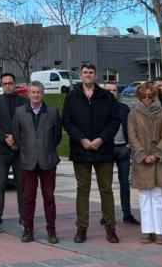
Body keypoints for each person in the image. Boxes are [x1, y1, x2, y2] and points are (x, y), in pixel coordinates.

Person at [62, 63, 122, 243]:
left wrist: (100, 139)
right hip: (81, 150)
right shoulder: (72, 97)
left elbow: (115, 120)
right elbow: (67, 121)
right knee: (82, 190)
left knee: (106, 189)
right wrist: (82, 139)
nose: (88, 75)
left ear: (96, 75)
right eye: (85, 72)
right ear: (80, 75)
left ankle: (110, 228)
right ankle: (81, 228)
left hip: (103, 150)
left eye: (91, 73)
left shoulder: (106, 97)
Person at [14, 81, 62, 244]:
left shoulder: (53, 112)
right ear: (28, 94)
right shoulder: (19, 112)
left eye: (38, 92)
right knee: (28, 198)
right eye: (32, 92)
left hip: (47, 161)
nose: (35, 95)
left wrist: (45, 148)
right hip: (28, 161)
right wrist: (29, 150)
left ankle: (52, 230)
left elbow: (57, 136)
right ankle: (28, 230)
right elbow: (16, 135)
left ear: (43, 94)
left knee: (49, 197)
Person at [129, 82, 162, 244]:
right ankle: (146, 230)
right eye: (144, 96)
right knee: (144, 196)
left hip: (157, 160)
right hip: (142, 160)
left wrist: (157, 153)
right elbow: (132, 136)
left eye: (150, 96)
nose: (147, 98)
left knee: (158, 196)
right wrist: (143, 154)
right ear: (139, 96)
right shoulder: (133, 113)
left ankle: (159, 231)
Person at [0, 72, 26, 234]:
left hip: (20, 150)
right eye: (5, 84)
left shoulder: (24, 102)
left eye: (10, 83)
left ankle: (24, 218)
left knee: (21, 186)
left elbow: (26, 124)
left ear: (15, 83)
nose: (8, 86)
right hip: (1, 149)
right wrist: (6, 138)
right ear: (1, 86)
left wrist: (16, 139)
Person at [104, 81, 138, 225]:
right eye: (109, 90)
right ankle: (106, 214)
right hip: (107, 149)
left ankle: (127, 213)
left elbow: (131, 126)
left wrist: (130, 143)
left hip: (123, 149)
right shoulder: (100, 108)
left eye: (114, 90)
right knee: (106, 184)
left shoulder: (124, 108)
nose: (112, 92)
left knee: (124, 183)